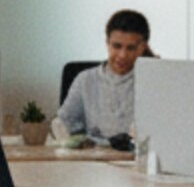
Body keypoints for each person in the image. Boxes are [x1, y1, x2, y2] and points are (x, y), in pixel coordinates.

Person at [57, 9, 151, 144]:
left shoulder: (151, 82)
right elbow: (64, 122)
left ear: (142, 48)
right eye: (116, 46)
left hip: (135, 158)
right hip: (95, 157)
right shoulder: (85, 80)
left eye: (130, 48)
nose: (122, 55)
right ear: (107, 43)